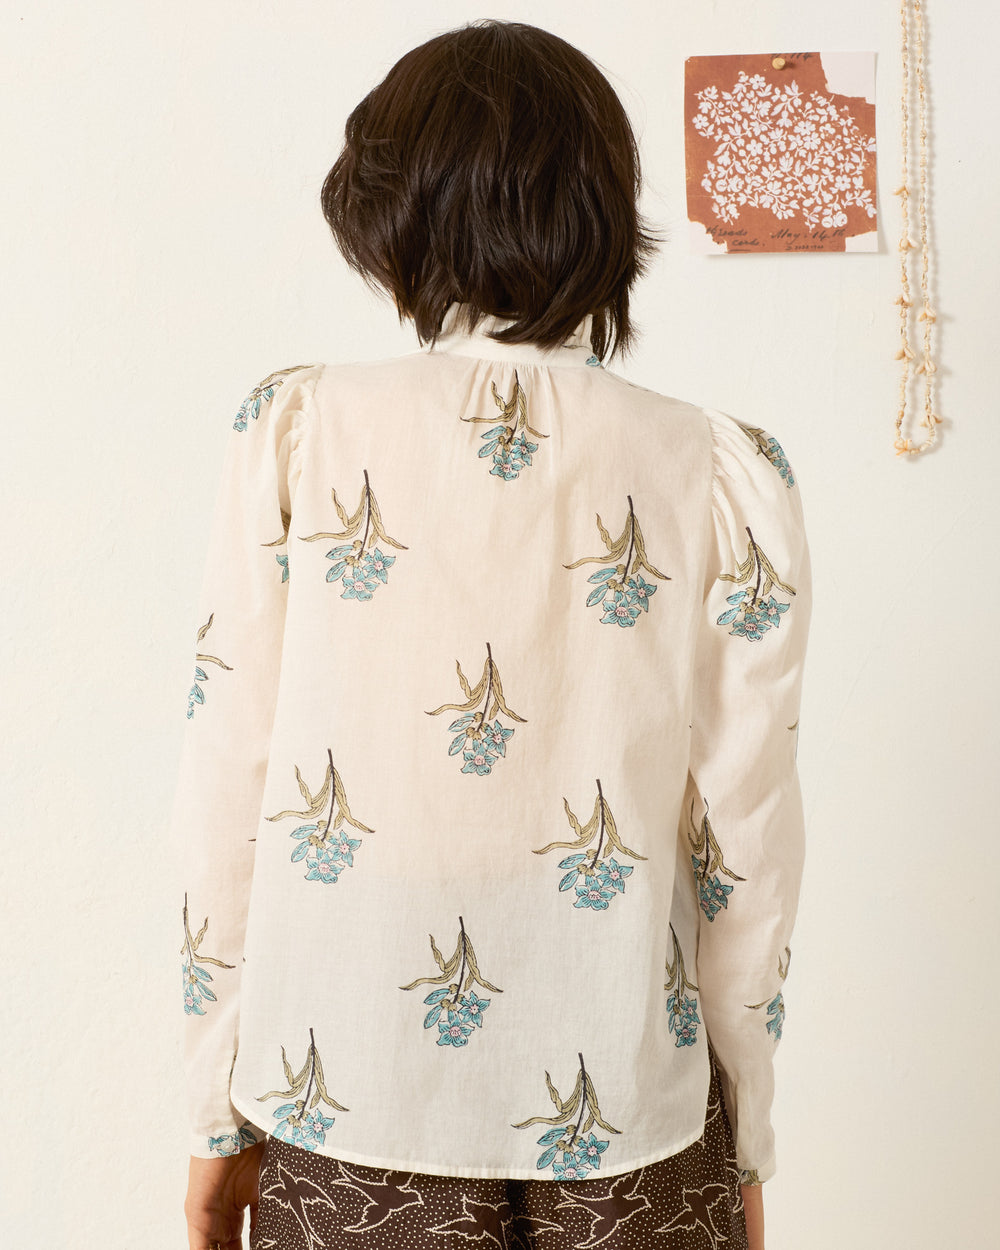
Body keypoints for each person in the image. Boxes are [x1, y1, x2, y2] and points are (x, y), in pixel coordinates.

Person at [174, 19, 810, 1250]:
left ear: (384, 213)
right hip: (636, 1108)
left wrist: (213, 1116)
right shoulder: (718, 468)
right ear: (607, 212)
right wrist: (749, 1131)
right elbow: (750, 843)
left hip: (340, 1085)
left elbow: (227, 795)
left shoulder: (300, 433)